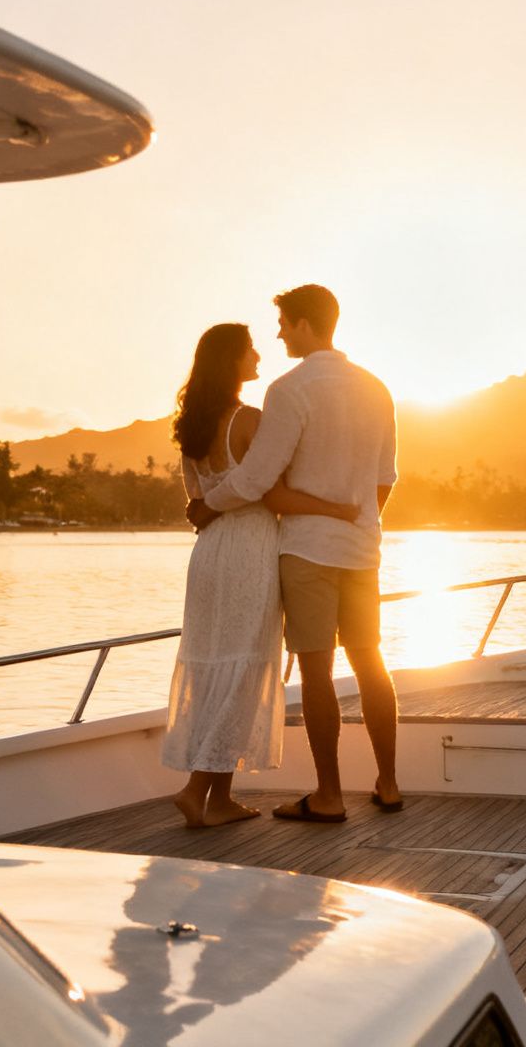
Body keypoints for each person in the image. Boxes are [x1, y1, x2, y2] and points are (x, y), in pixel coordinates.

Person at [190, 284, 402, 823]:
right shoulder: (377, 388)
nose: (279, 333)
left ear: (306, 323)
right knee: (371, 662)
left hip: (306, 549)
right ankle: (388, 783)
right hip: (362, 548)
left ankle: (328, 795)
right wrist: (357, 519)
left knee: (316, 672)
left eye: (283, 322)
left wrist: (209, 506)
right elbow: (385, 479)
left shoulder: (288, 389)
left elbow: (258, 478)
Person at [166, 323, 357, 828]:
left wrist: (209, 509)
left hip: (209, 551)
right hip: (250, 546)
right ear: (231, 360)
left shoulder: (191, 427)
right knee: (246, 668)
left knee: (217, 666)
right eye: (249, 349)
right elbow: (271, 490)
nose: (257, 355)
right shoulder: (249, 420)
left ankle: (220, 799)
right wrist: (337, 508)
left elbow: (196, 501)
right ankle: (196, 788)